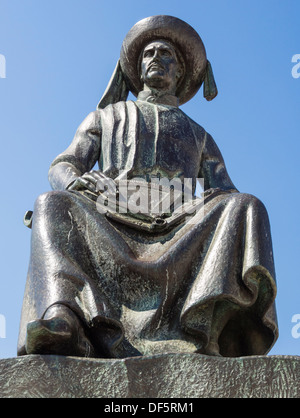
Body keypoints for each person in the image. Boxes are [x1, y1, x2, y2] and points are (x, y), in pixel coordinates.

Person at [18, 15, 278, 358]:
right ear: (137, 68)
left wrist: (212, 201)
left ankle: (210, 325)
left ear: (180, 73)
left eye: (166, 54)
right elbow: (64, 164)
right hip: (110, 215)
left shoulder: (199, 135)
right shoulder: (105, 117)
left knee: (247, 206)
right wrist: (76, 180)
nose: (156, 58)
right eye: (149, 53)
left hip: (180, 224)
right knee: (50, 203)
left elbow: (225, 189)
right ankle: (63, 316)